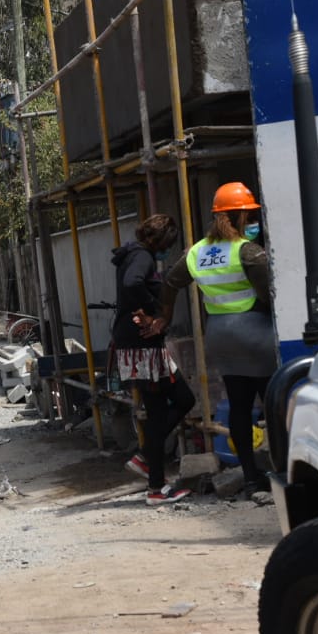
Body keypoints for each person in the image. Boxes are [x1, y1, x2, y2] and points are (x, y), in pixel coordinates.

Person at [142, 182, 278, 500]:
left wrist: (164, 317)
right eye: (250, 215)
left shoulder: (197, 252)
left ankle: (251, 480)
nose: (252, 220)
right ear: (240, 216)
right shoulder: (248, 251)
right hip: (255, 333)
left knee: (240, 408)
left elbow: (170, 284)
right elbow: (268, 294)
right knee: (273, 406)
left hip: (219, 335)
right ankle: (282, 473)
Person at [112, 214, 196, 504]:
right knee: (182, 400)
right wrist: (155, 310)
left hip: (136, 343)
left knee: (159, 411)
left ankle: (154, 481)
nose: (167, 250)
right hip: (143, 345)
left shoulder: (133, 254)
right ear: (159, 241)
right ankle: (149, 467)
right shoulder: (142, 257)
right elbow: (134, 283)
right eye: (167, 245)